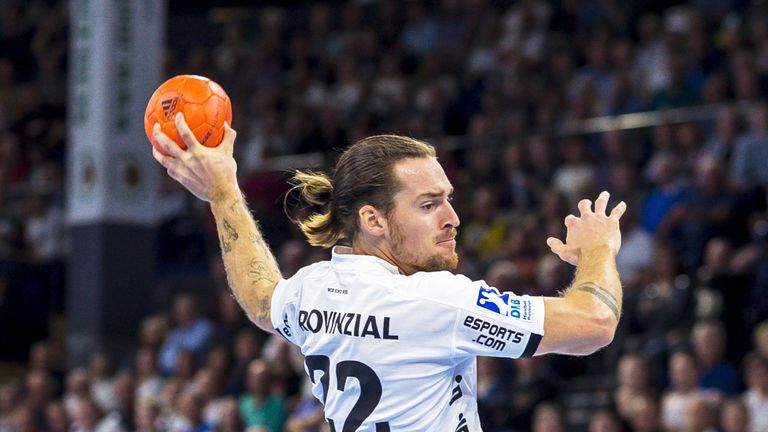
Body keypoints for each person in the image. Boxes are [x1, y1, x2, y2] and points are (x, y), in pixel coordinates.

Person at [151, 114, 626, 430]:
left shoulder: (311, 290)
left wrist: (223, 193)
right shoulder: (436, 301)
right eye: (428, 204)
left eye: (449, 200)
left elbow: (258, 298)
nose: (452, 218)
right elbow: (595, 324)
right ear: (372, 220)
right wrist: (599, 250)